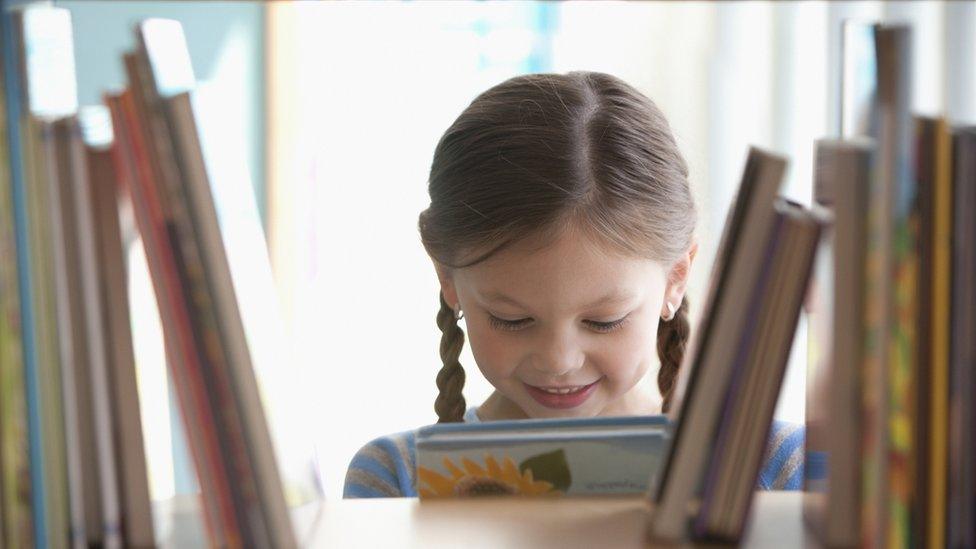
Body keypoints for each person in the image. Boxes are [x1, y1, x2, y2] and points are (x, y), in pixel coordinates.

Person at [343, 71, 803, 498]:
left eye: (604, 321)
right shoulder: (395, 480)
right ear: (448, 279)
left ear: (676, 278)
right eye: (512, 319)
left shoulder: (780, 471)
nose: (559, 361)